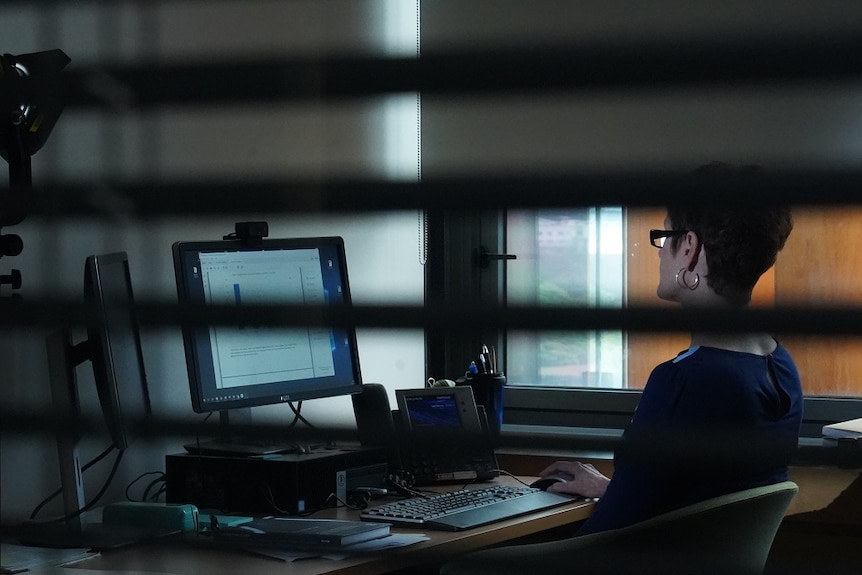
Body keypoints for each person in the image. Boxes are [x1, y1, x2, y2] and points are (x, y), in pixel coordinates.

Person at [538, 162, 803, 535]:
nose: (660, 252)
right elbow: (706, 502)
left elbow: (605, 538)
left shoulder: (683, 380)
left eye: (664, 238)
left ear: (690, 249)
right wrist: (615, 490)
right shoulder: (779, 364)